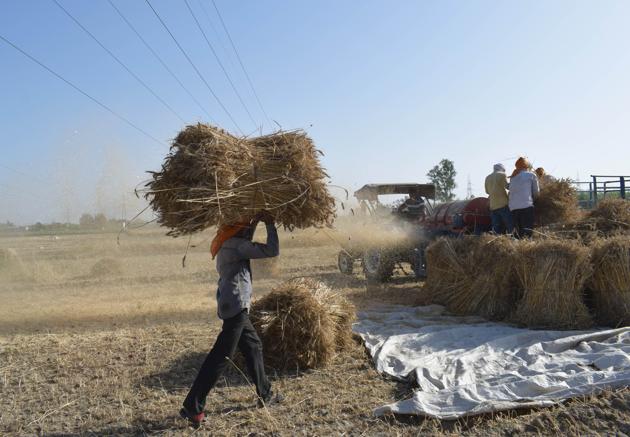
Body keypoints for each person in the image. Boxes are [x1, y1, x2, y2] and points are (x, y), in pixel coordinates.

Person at [180, 211, 281, 428]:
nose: (248, 230)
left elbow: (245, 235)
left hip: (232, 303)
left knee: (253, 346)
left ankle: (265, 392)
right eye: (246, 227)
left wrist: (254, 220)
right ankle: (193, 405)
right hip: (235, 305)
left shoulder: (228, 241)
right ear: (239, 229)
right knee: (221, 356)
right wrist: (270, 224)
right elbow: (272, 250)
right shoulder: (237, 245)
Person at [509, 157, 539, 238]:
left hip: (513, 208)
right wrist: (535, 201)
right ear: (527, 166)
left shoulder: (513, 177)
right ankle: (527, 247)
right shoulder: (531, 175)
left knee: (518, 233)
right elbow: (536, 192)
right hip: (526, 206)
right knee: (528, 230)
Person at [485, 163, 513, 234]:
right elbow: (507, 186)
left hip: (493, 206)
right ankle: (512, 239)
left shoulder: (487, 178)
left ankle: (496, 241)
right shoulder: (502, 175)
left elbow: (487, 191)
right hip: (503, 204)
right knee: (510, 224)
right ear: (502, 169)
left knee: (496, 228)